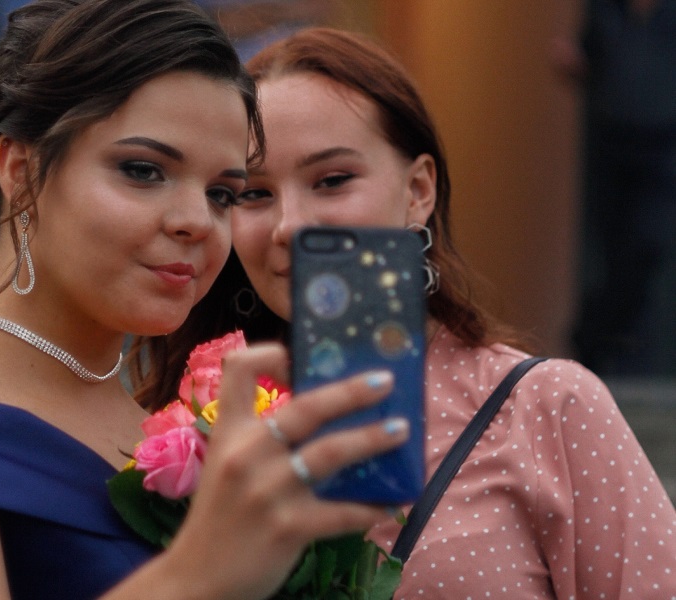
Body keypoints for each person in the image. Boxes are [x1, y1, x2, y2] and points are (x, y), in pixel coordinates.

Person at [0, 3, 410, 599]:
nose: (195, 222)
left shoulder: (166, 422)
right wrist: (199, 572)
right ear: (20, 170)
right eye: (143, 170)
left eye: (223, 194)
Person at [129, 27, 676, 598]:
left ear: (418, 190)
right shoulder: (194, 423)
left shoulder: (545, 407)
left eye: (333, 180)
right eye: (254, 193)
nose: (290, 226)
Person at [551, 0, 676, 376]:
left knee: (648, 244)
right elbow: (589, 57)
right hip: (610, 146)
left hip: (664, 147)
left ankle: (617, 343)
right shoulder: (605, 9)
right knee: (612, 252)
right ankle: (601, 340)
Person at [194, 0, 335, 62]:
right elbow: (223, 21)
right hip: (234, 69)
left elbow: (318, 8)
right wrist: (289, 13)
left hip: (298, 61)